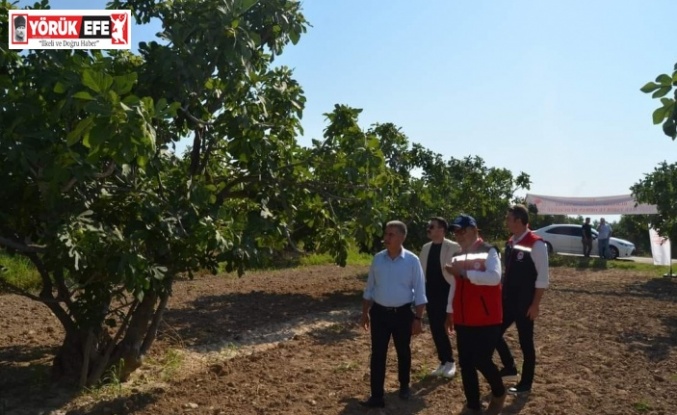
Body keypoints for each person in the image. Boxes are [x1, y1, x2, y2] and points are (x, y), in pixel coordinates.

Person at [360, 220, 427, 408]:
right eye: (386, 234)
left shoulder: (412, 261)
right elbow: (369, 288)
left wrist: (418, 319)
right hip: (380, 314)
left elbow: (420, 292)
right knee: (377, 354)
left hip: (402, 313)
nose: (386, 238)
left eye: (391, 234)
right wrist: (365, 313)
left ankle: (404, 385)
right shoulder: (378, 259)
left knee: (403, 351)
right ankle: (376, 395)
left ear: (402, 237)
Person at [444, 214, 506, 415]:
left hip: (486, 318)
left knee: (481, 359)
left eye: (462, 231)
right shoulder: (457, 255)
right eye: (455, 232)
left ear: (474, 229)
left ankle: (499, 392)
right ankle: (473, 405)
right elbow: (454, 285)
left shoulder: (489, 251)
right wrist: (449, 311)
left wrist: (464, 274)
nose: (458, 235)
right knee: (466, 363)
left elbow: (494, 277)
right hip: (463, 318)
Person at [496, 204, 550, 395]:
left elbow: (543, 277)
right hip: (508, 300)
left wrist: (535, 304)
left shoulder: (536, 243)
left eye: (508, 219)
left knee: (525, 343)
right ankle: (510, 367)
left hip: (526, 303)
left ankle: (525, 384)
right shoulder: (511, 242)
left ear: (518, 221)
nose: (506, 222)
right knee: (493, 332)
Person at [419, 217, 460, 378]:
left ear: (442, 229)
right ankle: (444, 361)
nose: (428, 229)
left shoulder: (453, 246)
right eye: (428, 226)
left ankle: (451, 362)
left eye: (432, 226)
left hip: (447, 291)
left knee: (445, 326)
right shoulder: (425, 248)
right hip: (430, 292)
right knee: (435, 327)